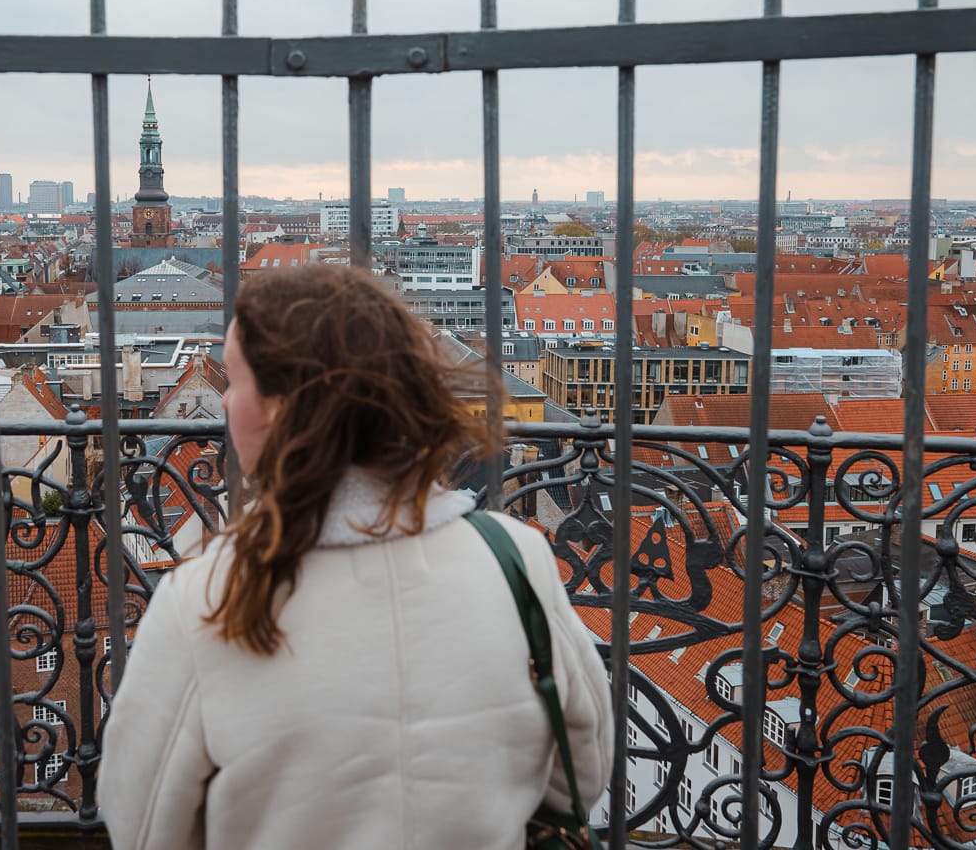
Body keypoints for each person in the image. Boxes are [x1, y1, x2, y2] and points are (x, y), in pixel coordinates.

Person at [101, 262, 613, 849]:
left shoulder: (207, 598)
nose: (223, 403)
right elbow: (583, 772)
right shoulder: (515, 558)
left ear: (281, 410)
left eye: (235, 382)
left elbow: (143, 824)